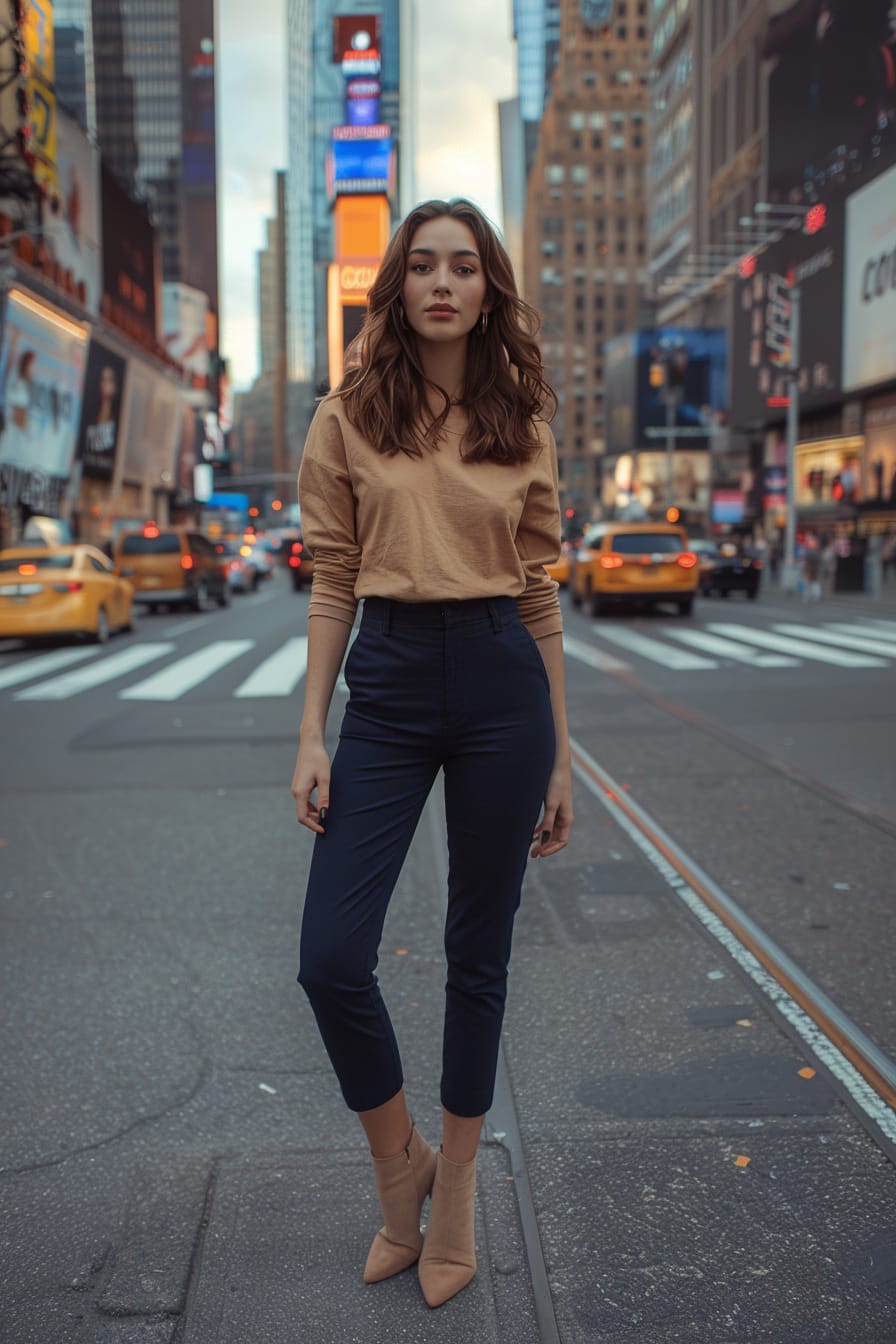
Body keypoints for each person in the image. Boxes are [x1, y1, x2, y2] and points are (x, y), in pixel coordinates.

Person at [290, 197, 573, 1309]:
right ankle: (393, 1160)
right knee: (329, 955)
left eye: (463, 265)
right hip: (394, 683)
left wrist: (559, 756)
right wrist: (312, 731)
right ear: (397, 287)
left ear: (487, 287)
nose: (443, 283)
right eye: (423, 266)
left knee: (477, 950)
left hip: (505, 678)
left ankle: (453, 1186)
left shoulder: (523, 416)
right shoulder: (348, 414)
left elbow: (540, 590)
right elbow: (332, 579)